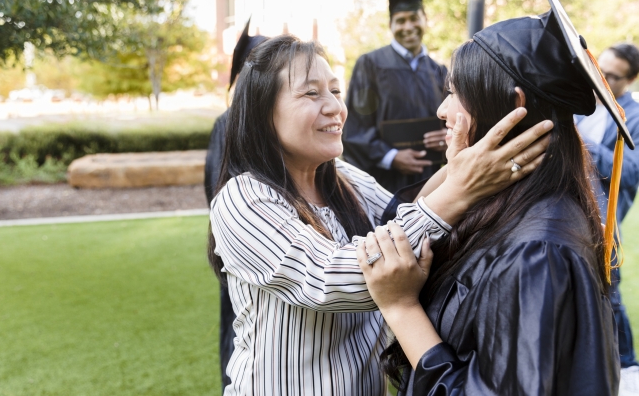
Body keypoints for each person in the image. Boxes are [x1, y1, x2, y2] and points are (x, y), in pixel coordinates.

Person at [208, 33, 552, 395]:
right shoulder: (242, 198)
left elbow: (403, 217)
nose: (335, 108)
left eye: (335, 91)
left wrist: (462, 157)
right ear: (262, 113)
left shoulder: (343, 179)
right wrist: (461, 188)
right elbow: (342, 278)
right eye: (311, 93)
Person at [355, 0, 629, 393]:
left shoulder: (538, 254)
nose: (442, 110)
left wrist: (401, 307)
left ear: (511, 106)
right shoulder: (512, 207)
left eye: (455, 93)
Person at [203, 18, 268, 393]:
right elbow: (217, 189)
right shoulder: (226, 124)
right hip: (242, 247)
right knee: (238, 325)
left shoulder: (277, 123)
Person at [575, 43, 639, 396]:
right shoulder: (582, 105)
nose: (601, 77)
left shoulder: (634, 115)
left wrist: (583, 143)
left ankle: (628, 368)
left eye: (612, 75)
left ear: (630, 80)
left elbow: (630, 171)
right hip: (571, 212)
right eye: (600, 67)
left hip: (605, 219)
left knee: (610, 294)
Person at [342, 0, 448, 193]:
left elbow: (453, 121)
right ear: (391, 25)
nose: (408, 27)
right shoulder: (370, 65)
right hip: (383, 185)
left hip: (430, 184)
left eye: (414, 19)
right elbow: (355, 127)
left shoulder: (439, 71)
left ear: (425, 20)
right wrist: (390, 157)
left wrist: (448, 138)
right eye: (400, 21)